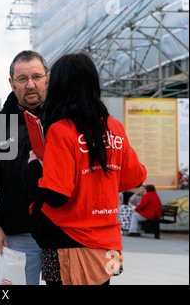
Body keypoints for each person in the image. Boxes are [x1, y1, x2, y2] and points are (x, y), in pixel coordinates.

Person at [28, 52, 147, 285]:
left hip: (68, 240)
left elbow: (56, 195)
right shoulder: (114, 127)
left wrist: (34, 167)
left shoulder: (61, 130)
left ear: (60, 87)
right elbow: (135, 177)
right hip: (109, 243)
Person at [0, 50, 50, 285]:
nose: (30, 84)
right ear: (11, 83)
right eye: (22, 79)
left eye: (36, 77)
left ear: (47, 77)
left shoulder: (62, 117)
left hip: (64, 231)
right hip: (18, 233)